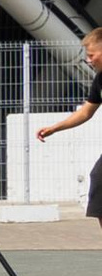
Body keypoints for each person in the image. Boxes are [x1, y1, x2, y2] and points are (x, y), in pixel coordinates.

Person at [33, 25, 102, 223]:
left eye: (92, 55)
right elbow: (86, 111)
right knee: (98, 182)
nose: (88, 60)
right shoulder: (100, 80)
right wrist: (54, 128)